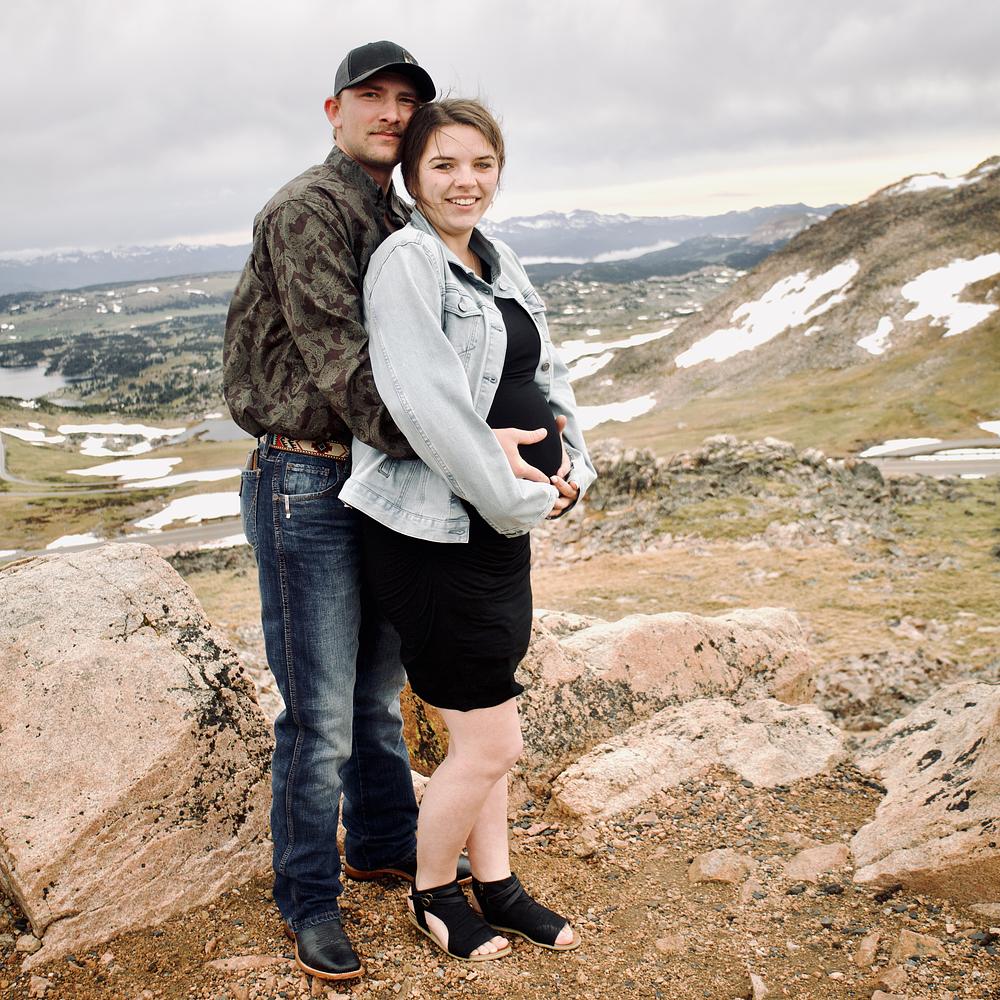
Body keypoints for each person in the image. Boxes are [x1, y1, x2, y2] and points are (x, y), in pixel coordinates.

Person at [341, 99, 597, 962]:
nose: (466, 181)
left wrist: (574, 468)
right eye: (445, 164)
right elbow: (430, 409)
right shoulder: (406, 263)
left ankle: (499, 886)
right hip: (434, 533)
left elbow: (548, 376)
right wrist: (518, 500)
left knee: (482, 729)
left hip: (497, 530)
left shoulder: (496, 256)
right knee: (493, 741)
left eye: (482, 163)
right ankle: (434, 893)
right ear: (413, 175)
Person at [223, 41, 447, 983]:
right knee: (318, 719)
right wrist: (461, 452)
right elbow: (346, 365)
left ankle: (385, 844)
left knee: (375, 698)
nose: (391, 114)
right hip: (306, 479)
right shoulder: (307, 210)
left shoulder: (398, 212)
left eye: (407, 101)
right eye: (372, 97)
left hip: (375, 480)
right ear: (334, 110)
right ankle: (308, 900)